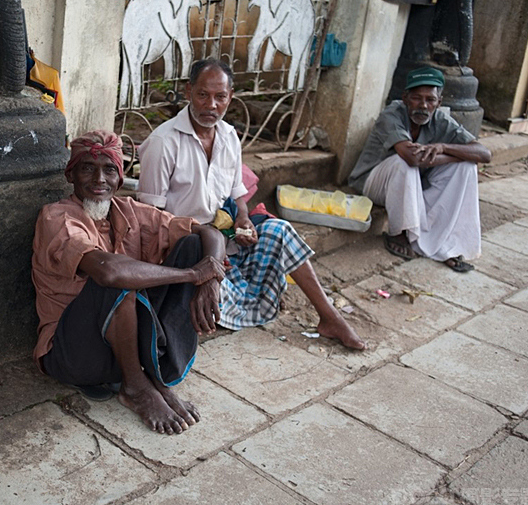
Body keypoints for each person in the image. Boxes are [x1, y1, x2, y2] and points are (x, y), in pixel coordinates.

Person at [137, 58, 365, 350]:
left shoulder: (229, 136)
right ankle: (229, 297)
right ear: (188, 91)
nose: (211, 105)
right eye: (203, 95)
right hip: (188, 248)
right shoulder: (164, 142)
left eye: (220, 97)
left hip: (226, 240)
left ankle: (330, 316)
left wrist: (243, 219)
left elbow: (236, 196)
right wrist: (210, 249)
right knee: (209, 303)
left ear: (231, 97)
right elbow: (152, 219)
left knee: (280, 231)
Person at [32, 130, 229, 435]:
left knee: (192, 245)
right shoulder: (56, 217)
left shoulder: (128, 210)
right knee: (118, 279)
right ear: (71, 175)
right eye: (88, 168)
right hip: (75, 354)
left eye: (109, 169)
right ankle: (135, 387)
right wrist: (193, 275)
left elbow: (210, 233)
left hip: (125, 344)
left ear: (120, 179)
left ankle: (152, 371)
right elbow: (109, 272)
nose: (99, 179)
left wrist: (211, 277)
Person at [348, 66, 491, 272]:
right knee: (402, 162)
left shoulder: (440, 119)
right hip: (373, 184)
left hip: (413, 187)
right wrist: (450, 155)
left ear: (438, 103)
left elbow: (484, 154)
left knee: (467, 165)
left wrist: (444, 147)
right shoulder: (392, 114)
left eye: (430, 100)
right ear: (405, 98)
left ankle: (441, 240)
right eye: (416, 98)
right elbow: (413, 158)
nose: (423, 105)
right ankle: (399, 232)